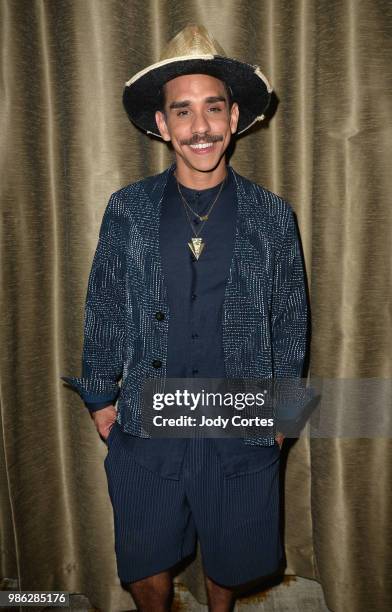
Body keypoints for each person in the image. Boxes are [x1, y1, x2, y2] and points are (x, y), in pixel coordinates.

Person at [62, 24, 308, 612]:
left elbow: (294, 325)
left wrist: (284, 422)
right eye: (183, 111)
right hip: (148, 423)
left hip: (239, 421)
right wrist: (100, 400)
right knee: (145, 558)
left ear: (234, 117)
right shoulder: (127, 209)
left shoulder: (273, 215)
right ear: (162, 124)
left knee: (231, 557)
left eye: (212, 109)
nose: (200, 127)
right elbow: (103, 304)